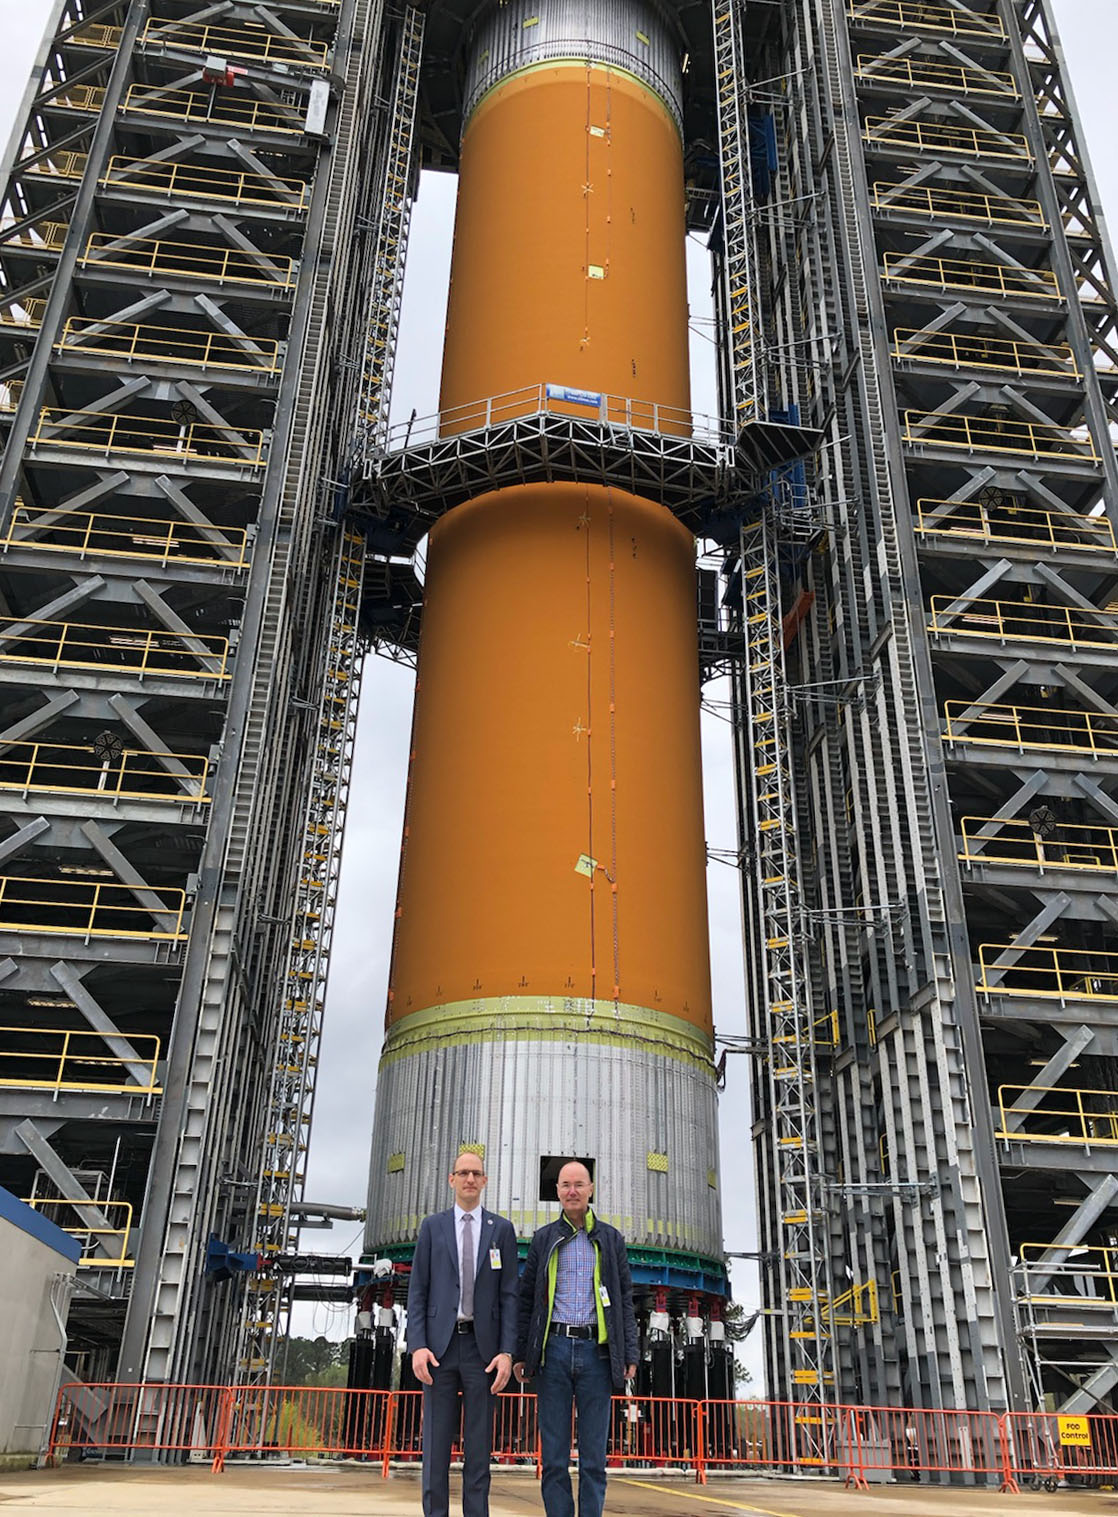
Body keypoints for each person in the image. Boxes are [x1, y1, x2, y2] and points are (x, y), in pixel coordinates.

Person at [514, 1161, 638, 1517]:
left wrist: (628, 1351)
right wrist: (524, 1352)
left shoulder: (610, 1240)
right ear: (557, 1192)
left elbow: (623, 1299)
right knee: (553, 1457)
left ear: (591, 1189)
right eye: (565, 1185)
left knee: (594, 1459)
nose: (572, 1191)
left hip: (595, 1355)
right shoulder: (544, 1239)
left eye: (578, 1184)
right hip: (552, 1351)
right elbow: (528, 1300)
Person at [409, 1151, 519, 1517]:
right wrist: (418, 1346)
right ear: (451, 1179)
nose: (470, 1179)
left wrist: (506, 1351)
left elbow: (509, 1295)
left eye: (476, 1173)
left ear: (484, 1181)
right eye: (463, 1173)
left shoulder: (500, 1230)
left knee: (478, 1451)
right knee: (435, 1450)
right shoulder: (432, 1227)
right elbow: (418, 1291)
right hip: (439, 1349)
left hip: (481, 1351)